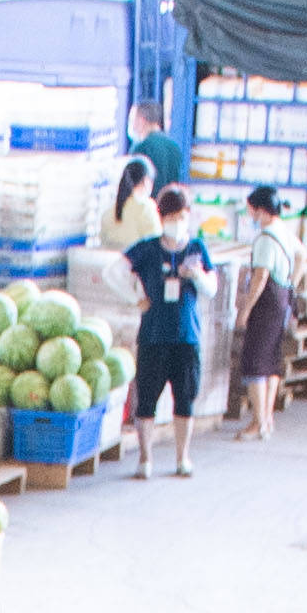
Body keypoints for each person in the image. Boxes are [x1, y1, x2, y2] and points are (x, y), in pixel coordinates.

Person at [123, 186, 216, 477]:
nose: (177, 222)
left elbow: (212, 289)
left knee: (185, 399)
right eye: (172, 216)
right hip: (153, 334)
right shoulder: (148, 248)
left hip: (186, 335)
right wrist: (135, 297)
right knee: (147, 400)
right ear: (162, 217)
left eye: (182, 216)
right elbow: (115, 269)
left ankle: (182, 457)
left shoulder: (196, 249)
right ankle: (145, 458)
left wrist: (197, 275)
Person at [222, 186, 302, 437]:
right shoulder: (285, 232)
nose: (250, 215)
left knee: (255, 363)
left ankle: (257, 422)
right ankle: (266, 419)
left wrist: (245, 309)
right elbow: (302, 255)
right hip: (281, 301)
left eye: (252, 209)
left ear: (261, 209)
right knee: (271, 362)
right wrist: (292, 283)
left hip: (265, 304)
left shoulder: (266, 238)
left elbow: (260, 276)